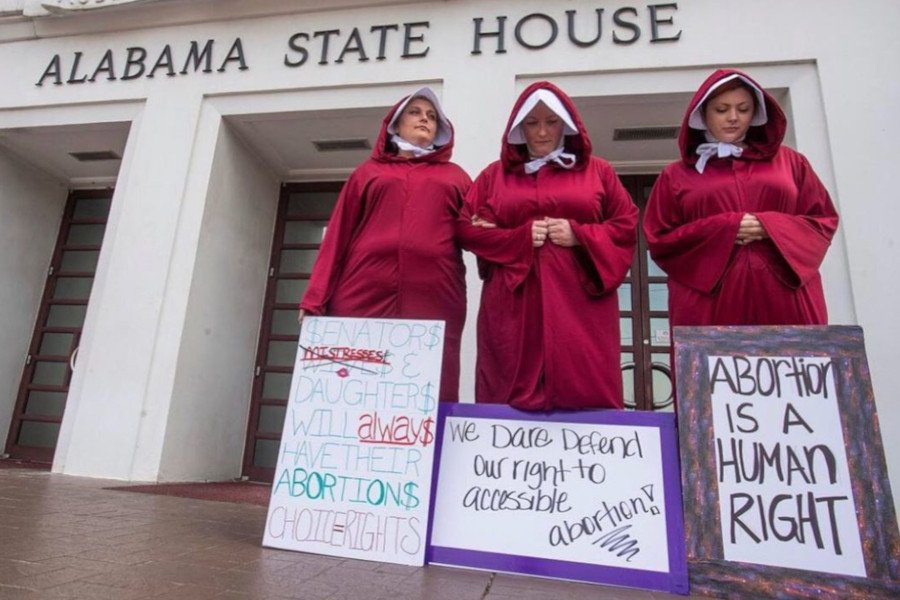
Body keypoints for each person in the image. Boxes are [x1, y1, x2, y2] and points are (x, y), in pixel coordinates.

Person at [458, 81, 638, 411]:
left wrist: (579, 235)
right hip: (513, 301)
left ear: (566, 125)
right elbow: (465, 229)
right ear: (518, 127)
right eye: (532, 123)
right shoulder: (493, 176)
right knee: (506, 389)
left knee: (584, 387)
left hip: (580, 301)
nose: (542, 132)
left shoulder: (599, 171)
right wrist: (516, 238)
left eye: (551, 122)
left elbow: (626, 224)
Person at [299, 87, 471, 402]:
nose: (425, 120)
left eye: (432, 116)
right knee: (356, 377)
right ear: (395, 124)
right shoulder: (367, 173)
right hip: (362, 291)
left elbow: (476, 229)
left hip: (434, 295)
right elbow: (338, 235)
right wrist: (315, 298)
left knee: (429, 381)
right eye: (416, 113)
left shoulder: (456, 177)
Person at [643, 69, 839, 327]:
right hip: (710, 301)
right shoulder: (675, 175)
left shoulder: (791, 162)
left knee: (790, 360)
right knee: (714, 367)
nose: (733, 118)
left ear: (756, 113)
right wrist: (725, 228)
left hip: (786, 295)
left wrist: (769, 227)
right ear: (702, 114)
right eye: (721, 110)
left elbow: (823, 220)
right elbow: (659, 238)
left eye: (743, 109)